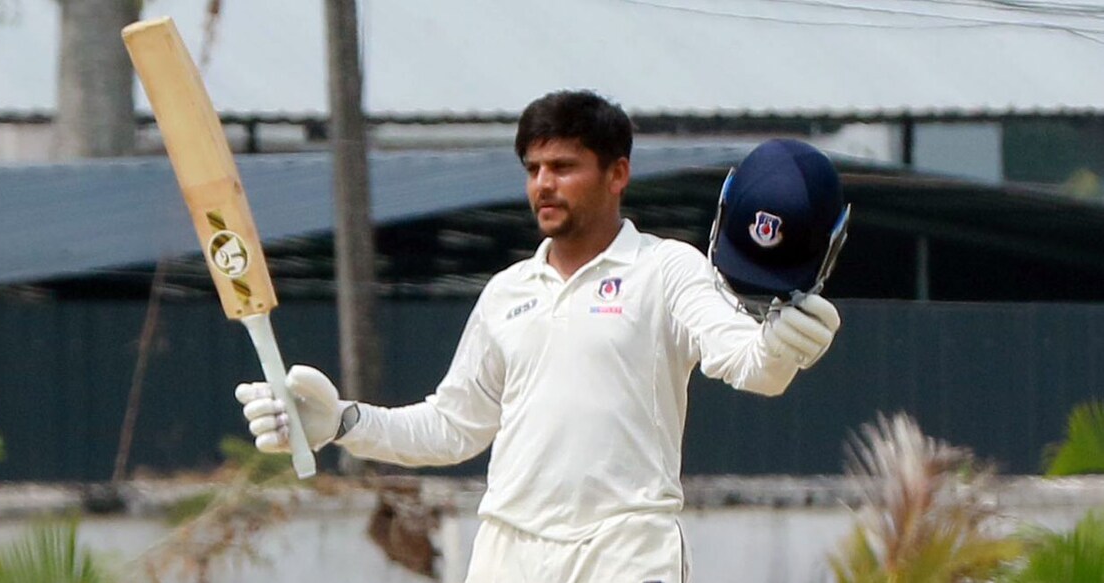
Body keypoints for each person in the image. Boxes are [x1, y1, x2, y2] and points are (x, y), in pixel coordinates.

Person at [235, 90, 842, 582]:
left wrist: (783, 345)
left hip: (624, 550)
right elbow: (452, 427)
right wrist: (342, 423)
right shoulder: (506, 291)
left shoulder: (667, 269)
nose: (543, 185)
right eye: (533, 169)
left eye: (564, 167)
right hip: (510, 550)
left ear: (617, 174)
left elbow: (747, 362)